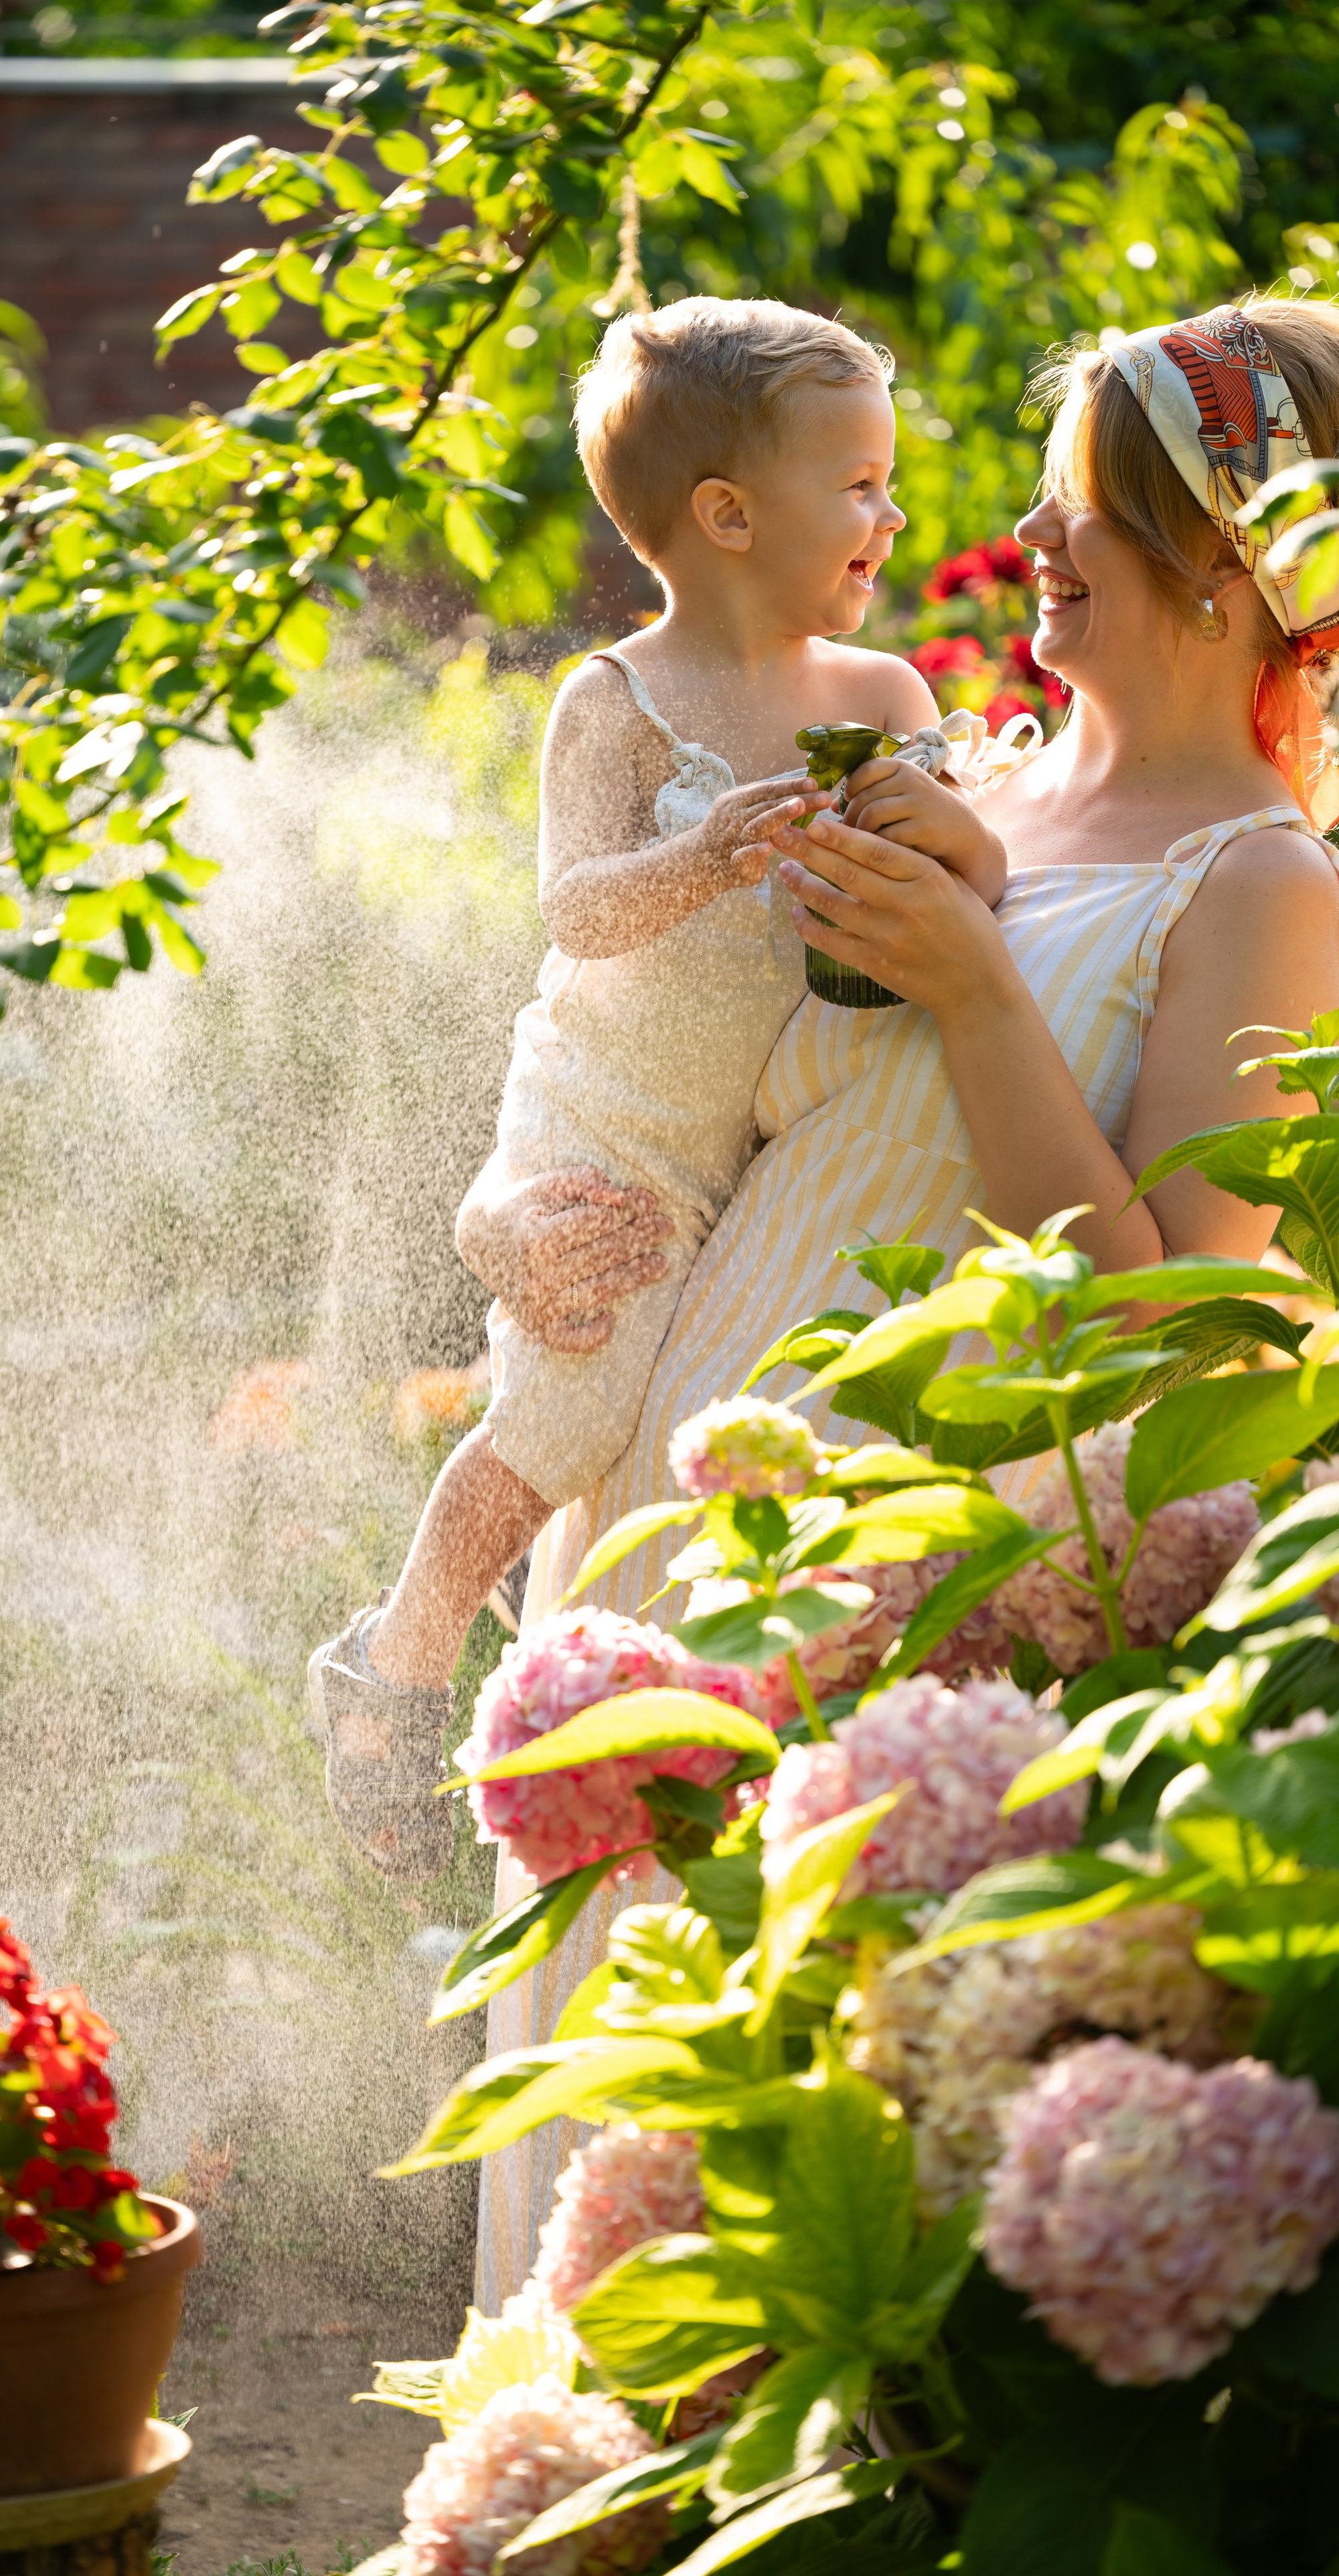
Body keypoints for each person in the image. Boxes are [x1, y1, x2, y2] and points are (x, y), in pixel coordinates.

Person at [459, 293, 1339, 2306]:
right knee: (582, 2116)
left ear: (1233, 563)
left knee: (740, 2212)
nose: (1029, 538)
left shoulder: (1259, 882)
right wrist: (515, 1226)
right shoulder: (952, 767)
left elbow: (1181, 1336)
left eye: (1084, 508)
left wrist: (983, 989)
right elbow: (637, 1068)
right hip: (653, 1505)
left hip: (889, 1600)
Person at [309, 297, 1008, 1878]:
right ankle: (395, 1660)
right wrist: (698, 856)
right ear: (725, 515)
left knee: (661, 1417)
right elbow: (573, 914)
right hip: (607, 1115)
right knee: (569, 1398)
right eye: (862, 487)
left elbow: (975, 863)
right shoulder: (613, 703)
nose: (890, 518)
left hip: (741, 1140)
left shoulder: (887, 697)